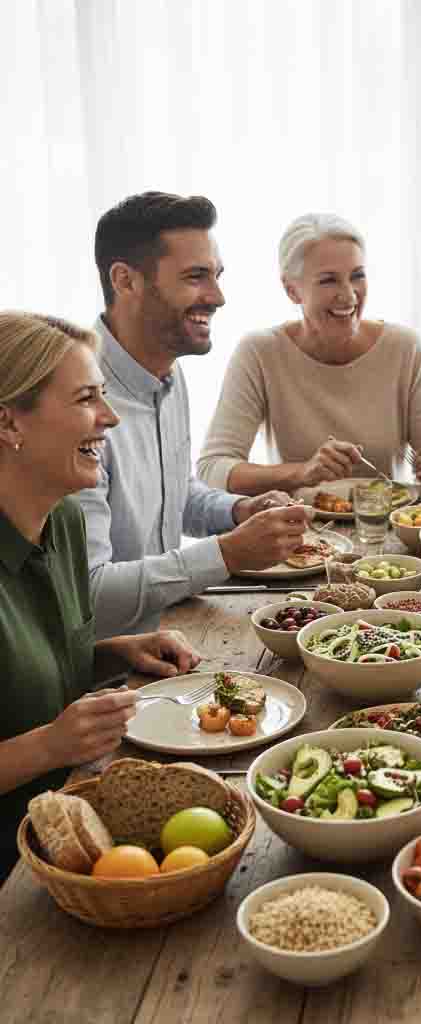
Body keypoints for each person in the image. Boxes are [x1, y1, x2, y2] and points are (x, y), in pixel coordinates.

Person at [0, 312, 203, 883]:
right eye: (87, 399)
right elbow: (38, 728)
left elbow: (25, 677)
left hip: (82, 823)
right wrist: (48, 746)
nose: (110, 419)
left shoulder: (61, 521)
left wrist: (114, 652)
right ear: (9, 423)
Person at [80, 192, 310, 639]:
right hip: (106, 671)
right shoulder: (75, 400)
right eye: (195, 277)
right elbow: (91, 595)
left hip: (170, 631)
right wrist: (226, 553)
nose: (218, 296)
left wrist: (240, 511)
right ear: (125, 281)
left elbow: (173, 494)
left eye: (217, 276)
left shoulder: (168, 373)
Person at [196, 213, 421, 496]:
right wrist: (303, 471)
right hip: (298, 530)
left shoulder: (404, 347)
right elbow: (212, 469)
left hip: (388, 526)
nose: (349, 295)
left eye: (357, 276)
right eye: (328, 280)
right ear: (292, 290)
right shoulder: (260, 352)